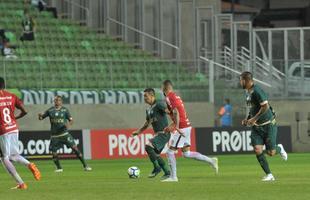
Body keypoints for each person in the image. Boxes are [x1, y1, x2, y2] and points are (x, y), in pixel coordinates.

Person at [161, 80, 218, 182]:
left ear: (164, 88)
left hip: (182, 127)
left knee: (170, 152)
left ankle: (173, 177)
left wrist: (176, 127)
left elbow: (176, 112)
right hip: (186, 126)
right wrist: (171, 125)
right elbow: (177, 113)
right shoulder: (176, 96)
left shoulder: (169, 97)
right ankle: (211, 160)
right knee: (186, 153)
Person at [239, 71, 288, 181]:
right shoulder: (248, 93)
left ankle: (279, 148)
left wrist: (254, 119)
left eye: (241, 80)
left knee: (271, 153)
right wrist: (247, 120)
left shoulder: (257, 91)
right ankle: (269, 175)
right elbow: (253, 109)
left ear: (247, 81)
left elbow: (265, 106)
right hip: (256, 126)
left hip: (268, 124)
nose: (240, 82)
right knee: (257, 149)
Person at [0, 77, 41, 190]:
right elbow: (25, 111)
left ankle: (21, 183)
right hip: (13, 127)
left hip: (3, 130)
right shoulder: (12, 96)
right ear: (4, 85)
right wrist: (15, 118)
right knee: (14, 155)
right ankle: (29, 164)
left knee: (5, 158)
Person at [38, 95, 91, 172]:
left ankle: (85, 166)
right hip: (55, 136)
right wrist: (39, 116)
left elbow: (71, 120)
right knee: (54, 153)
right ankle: (59, 168)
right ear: (54, 101)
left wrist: (68, 125)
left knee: (75, 149)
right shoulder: (50, 110)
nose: (57, 101)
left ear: (61, 101)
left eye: (58, 100)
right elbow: (41, 118)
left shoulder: (65, 110)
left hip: (64, 134)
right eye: (55, 100)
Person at [132, 88, 171, 180]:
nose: (144, 98)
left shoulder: (159, 104)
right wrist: (138, 131)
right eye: (144, 96)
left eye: (146, 96)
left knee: (148, 146)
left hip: (163, 133)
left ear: (152, 95)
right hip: (158, 134)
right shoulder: (148, 109)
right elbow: (147, 123)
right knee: (156, 155)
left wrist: (174, 124)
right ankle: (167, 172)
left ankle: (157, 168)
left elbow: (170, 112)